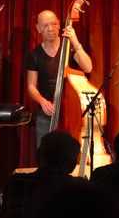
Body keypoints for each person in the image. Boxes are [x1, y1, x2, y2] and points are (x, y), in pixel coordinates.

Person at [25, 10, 92, 144]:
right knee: (44, 152)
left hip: (70, 113)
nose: (50, 29)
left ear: (59, 24)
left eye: (53, 24)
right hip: (46, 114)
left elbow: (88, 68)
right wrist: (43, 102)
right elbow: (31, 87)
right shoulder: (34, 55)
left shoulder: (69, 48)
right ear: (38, 28)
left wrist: (75, 42)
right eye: (45, 26)